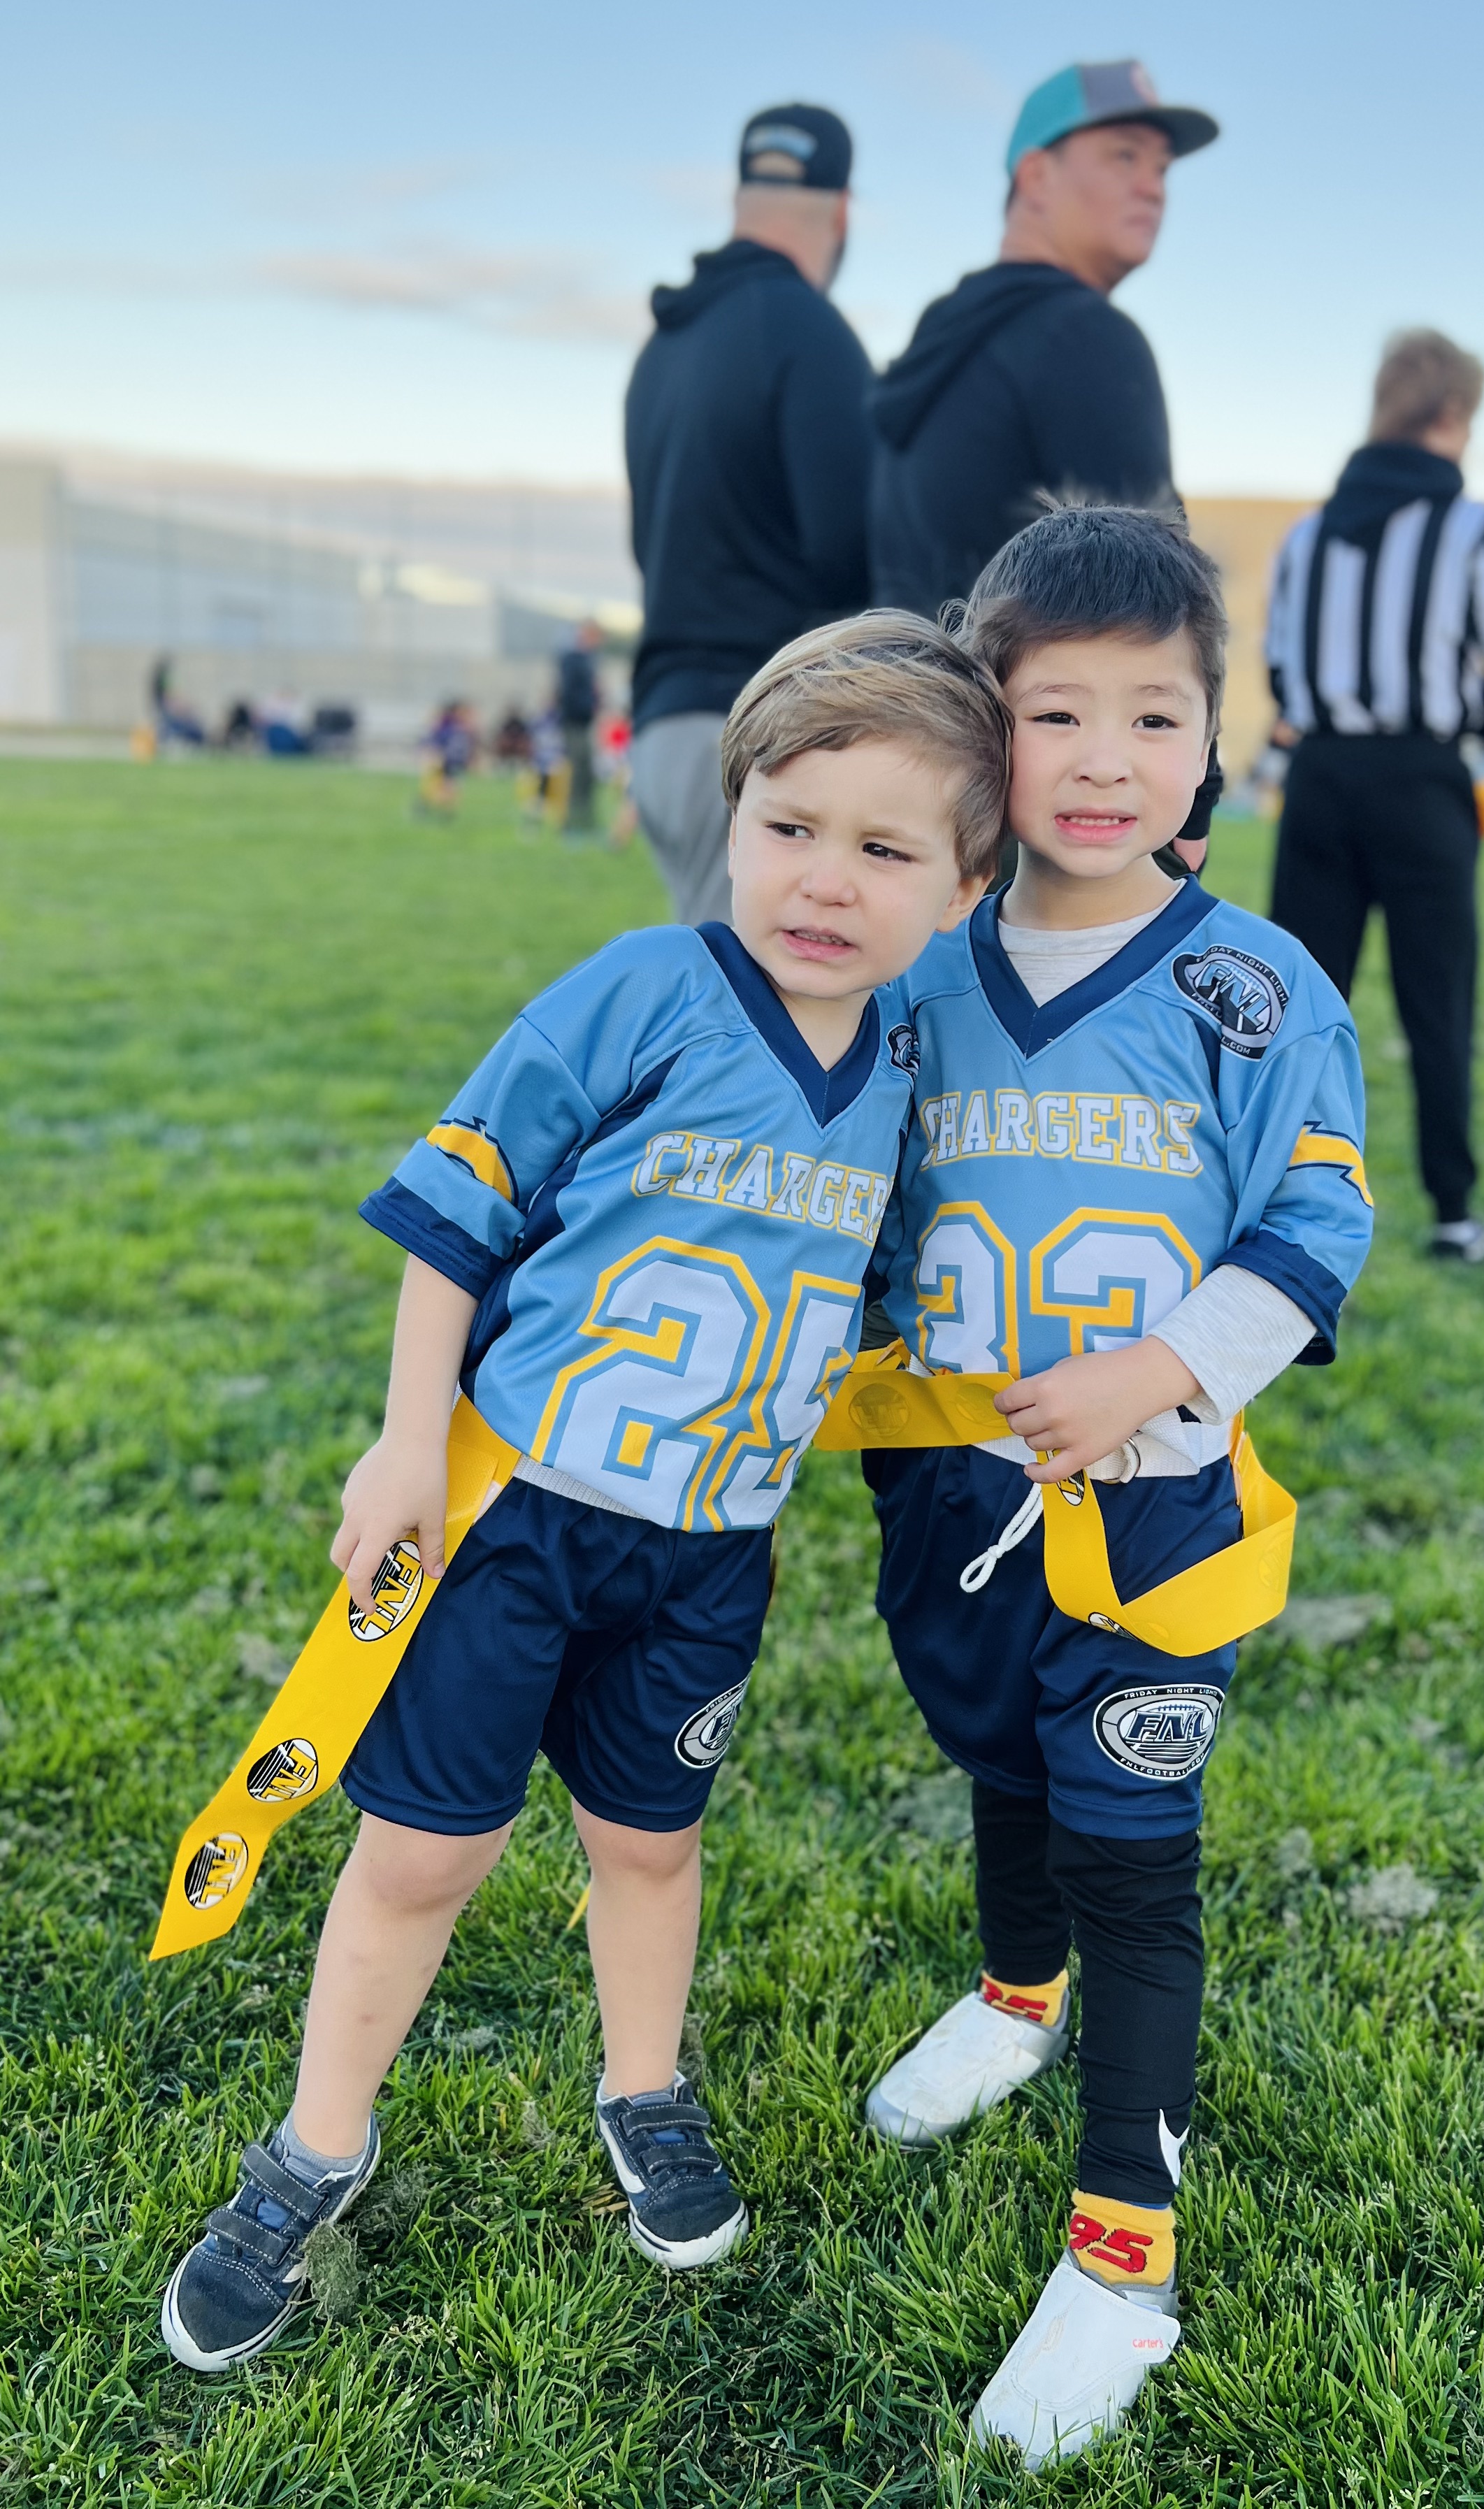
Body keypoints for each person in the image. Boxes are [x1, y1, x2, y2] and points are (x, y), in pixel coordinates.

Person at [157, 612, 1009, 2373]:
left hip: (712, 1546)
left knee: (650, 1835)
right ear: (732, 806)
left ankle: (647, 2088)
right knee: (424, 1853)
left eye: (883, 847)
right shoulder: (642, 985)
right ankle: (318, 2138)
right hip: (524, 1517)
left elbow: (909, 1267)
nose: (824, 880)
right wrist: (409, 1438)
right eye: (788, 824)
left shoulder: (919, 1057)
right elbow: (462, 1209)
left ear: (959, 880)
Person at [854, 507, 1374, 2464]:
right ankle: (1007, 1989)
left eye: (1147, 715)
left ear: (1210, 744)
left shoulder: (1249, 981)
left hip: (1151, 1511)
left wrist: (1163, 1362)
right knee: (996, 1754)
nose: (1096, 756)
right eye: (1049, 710)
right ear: (983, 735)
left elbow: (1318, 1221)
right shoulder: (919, 965)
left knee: (1134, 1861)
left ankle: (1120, 2259)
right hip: (946, 1480)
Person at [1265, 329, 1484, 1264]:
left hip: (1319, 779)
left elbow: (1279, 672)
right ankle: (1452, 1211)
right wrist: (1468, 714)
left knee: (1298, 1001)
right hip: (1422, 783)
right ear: (1453, 415)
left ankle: (1264, 1194)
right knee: (1438, 1001)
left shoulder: (1307, 535)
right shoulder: (1473, 528)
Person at [625, 105, 873, 927]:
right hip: (750, 735)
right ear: (841, 212)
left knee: (722, 1004)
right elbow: (848, 559)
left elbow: (646, 548)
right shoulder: (810, 334)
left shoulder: (663, 349)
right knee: (747, 1033)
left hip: (664, 729)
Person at [867, 60, 1217, 624]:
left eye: (1162, 169)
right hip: (1016, 710)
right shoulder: (1086, 337)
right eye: (1124, 156)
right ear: (1035, 177)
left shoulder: (938, 343)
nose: (1153, 189)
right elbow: (1156, 615)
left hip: (914, 702)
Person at [555, 621, 602, 829]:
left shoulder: (588, 660)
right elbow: (569, 693)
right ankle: (572, 823)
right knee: (576, 771)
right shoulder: (572, 660)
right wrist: (587, 705)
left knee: (587, 772)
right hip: (574, 722)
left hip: (584, 722)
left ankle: (585, 819)